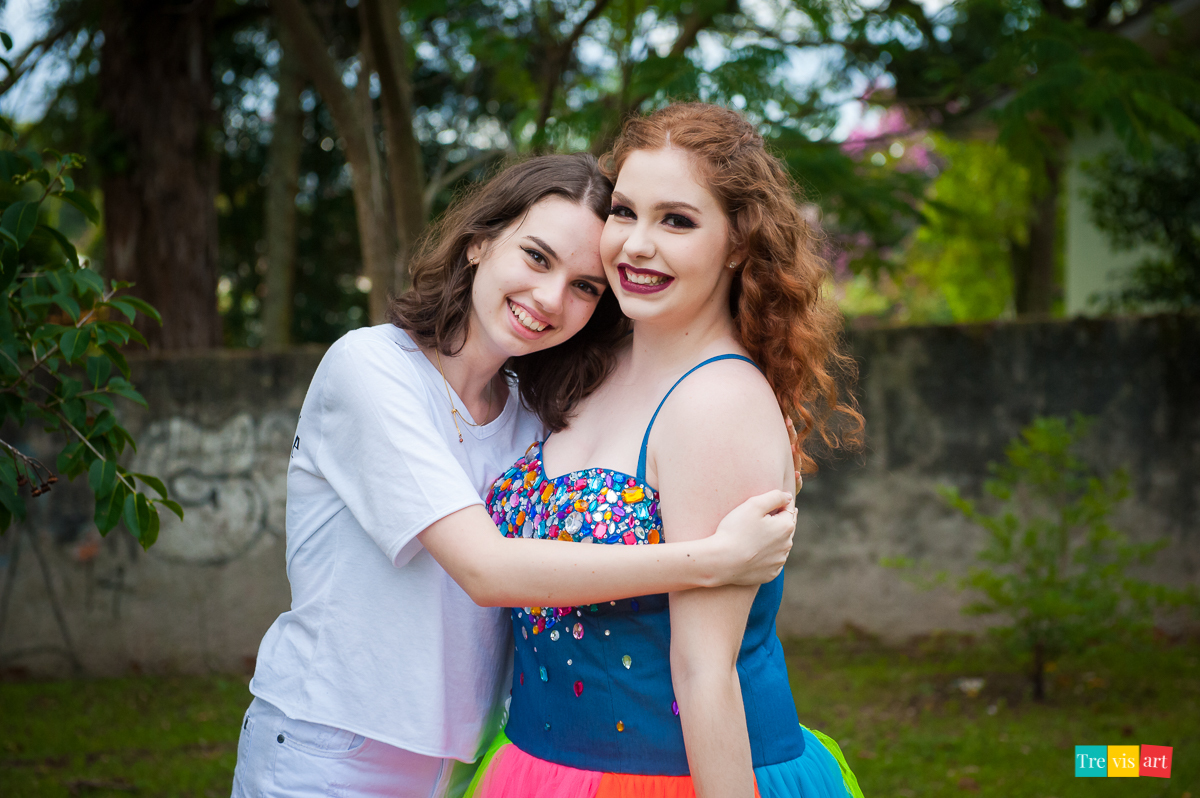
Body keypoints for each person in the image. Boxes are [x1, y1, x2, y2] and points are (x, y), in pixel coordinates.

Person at [231, 153, 799, 798]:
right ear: (478, 242)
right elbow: (488, 570)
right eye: (536, 257)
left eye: (586, 286)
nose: (550, 298)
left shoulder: (536, 412)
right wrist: (714, 558)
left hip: (471, 759)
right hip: (335, 750)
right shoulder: (371, 369)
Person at [471, 104, 865, 798]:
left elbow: (705, 672)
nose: (636, 245)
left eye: (676, 221)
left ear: (738, 243)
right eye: (624, 212)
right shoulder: (590, 363)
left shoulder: (719, 402)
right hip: (536, 767)